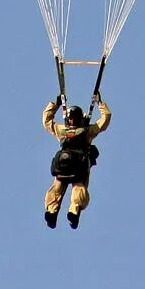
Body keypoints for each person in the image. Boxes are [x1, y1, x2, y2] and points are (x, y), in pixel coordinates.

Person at [42, 93, 111, 229]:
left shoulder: (64, 130)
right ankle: (62, 211)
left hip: (65, 166)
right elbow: (105, 120)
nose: (72, 121)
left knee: (62, 188)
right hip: (76, 167)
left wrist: (54, 105)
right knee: (71, 188)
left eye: (74, 118)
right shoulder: (86, 131)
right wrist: (100, 103)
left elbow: (46, 121)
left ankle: (62, 211)